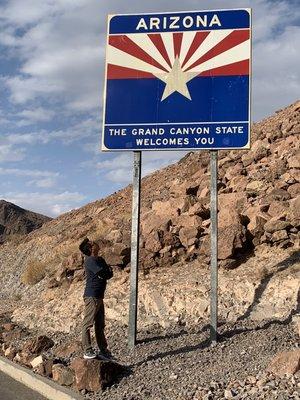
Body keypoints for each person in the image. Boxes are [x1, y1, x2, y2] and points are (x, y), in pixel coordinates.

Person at [79, 238, 113, 360]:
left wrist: (106, 271)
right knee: (87, 324)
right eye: (93, 244)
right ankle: (87, 350)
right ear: (90, 248)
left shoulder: (99, 259)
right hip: (92, 296)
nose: (96, 243)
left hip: (99, 296)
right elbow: (105, 273)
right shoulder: (90, 261)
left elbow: (109, 274)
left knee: (100, 324)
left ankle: (103, 351)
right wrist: (106, 271)